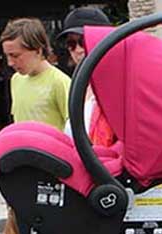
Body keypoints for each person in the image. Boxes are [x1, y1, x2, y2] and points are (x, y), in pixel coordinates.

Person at [0, 17, 81, 234]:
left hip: (58, 185)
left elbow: (75, 135)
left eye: (16, 55)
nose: (11, 62)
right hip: (27, 184)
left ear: (37, 49)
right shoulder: (17, 82)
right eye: (7, 56)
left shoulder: (60, 83)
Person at [58, 7, 116, 147]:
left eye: (83, 41)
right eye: (71, 44)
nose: (78, 50)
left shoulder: (118, 87)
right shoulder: (79, 86)